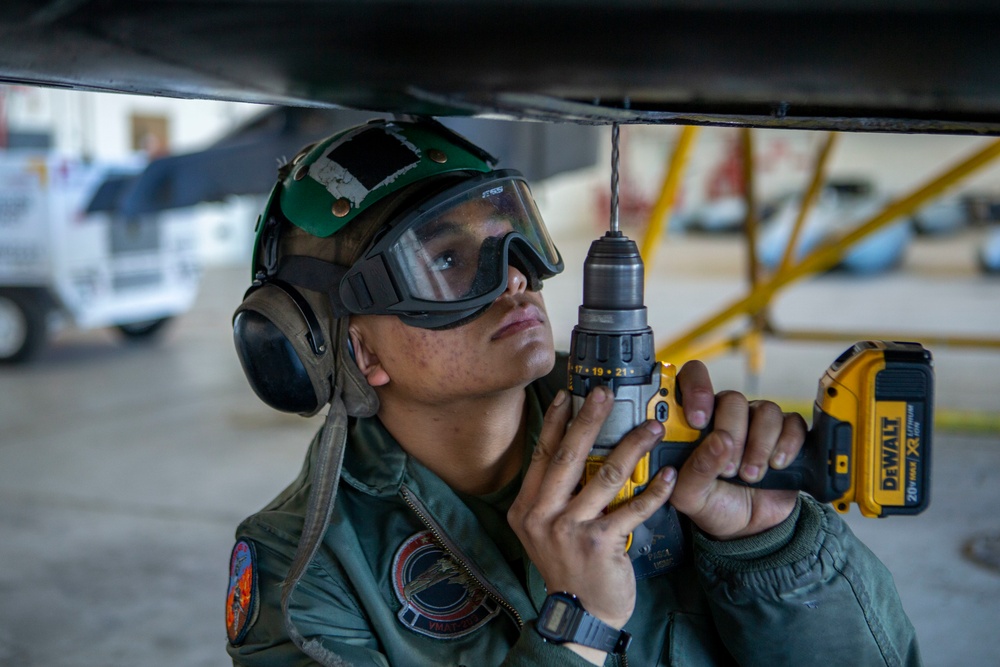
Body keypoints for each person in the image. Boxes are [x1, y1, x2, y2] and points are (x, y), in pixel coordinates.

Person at [226, 118, 921, 666]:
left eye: (510, 234)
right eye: (445, 259)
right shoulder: (303, 572)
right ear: (355, 348)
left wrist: (770, 546)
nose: (515, 277)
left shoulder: (662, 440)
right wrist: (574, 628)